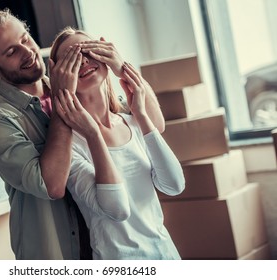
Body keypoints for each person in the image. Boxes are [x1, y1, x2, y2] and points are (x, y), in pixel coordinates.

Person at [0, 9, 165, 260]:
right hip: (56, 253)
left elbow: (154, 125)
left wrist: (121, 67)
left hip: (107, 246)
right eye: (11, 51)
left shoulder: (74, 85)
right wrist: (65, 99)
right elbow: (51, 185)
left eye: (25, 38)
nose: (27, 51)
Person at [49, 27, 186, 260]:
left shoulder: (133, 122)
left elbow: (174, 185)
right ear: (59, 73)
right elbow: (117, 209)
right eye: (71, 58)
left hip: (166, 255)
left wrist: (141, 115)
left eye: (89, 51)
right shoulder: (69, 146)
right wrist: (93, 134)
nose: (83, 61)